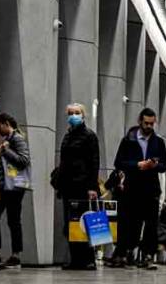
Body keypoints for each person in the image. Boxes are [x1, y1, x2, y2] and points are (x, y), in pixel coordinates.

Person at [113, 107, 166, 270]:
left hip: (151, 190)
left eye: (152, 123)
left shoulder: (159, 142)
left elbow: (164, 165)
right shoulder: (128, 140)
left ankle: (147, 256)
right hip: (132, 188)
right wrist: (137, 165)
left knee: (151, 225)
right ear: (140, 121)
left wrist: (154, 165)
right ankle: (125, 253)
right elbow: (118, 163)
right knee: (130, 223)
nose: (149, 126)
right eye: (146, 123)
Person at [54, 102, 100, 270]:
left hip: (83, 185)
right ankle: (75, 259)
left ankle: (88, 259)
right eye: (71, 113)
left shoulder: (89, 136)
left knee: (84, 223)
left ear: (83, 116)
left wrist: (92, 187)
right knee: (70, 224)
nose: (73, 116)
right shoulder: (67, 136)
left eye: (77, 113)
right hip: (68, 186)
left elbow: (94, 162)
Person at [0, 112, 30, 267]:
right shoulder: (8, 139)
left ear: (5, 124)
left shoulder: (17, 139)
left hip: (14, 188)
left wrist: (6, 151)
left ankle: (14, 254)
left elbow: (23, 160)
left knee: (13, 220)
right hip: (5, 186)